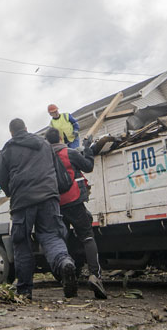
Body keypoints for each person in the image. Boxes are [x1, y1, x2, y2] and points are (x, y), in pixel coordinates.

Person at [0, 118, 78, 299]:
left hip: (22, 202)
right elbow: (57, 170)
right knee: (51, 236)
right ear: (26, 128)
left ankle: (25, 291)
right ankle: (64, 262)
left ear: (11, 132)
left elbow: (1, 177)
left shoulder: (7, 150)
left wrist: (13, 191)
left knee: (21, 242)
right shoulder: (44, 144)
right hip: (49, 198)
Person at [45, 128, 106, 299]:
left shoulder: (45, 158)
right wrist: (87, 148)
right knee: (87, 237)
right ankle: (95, 276)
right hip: (74, 201)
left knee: (63, 241)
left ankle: (67, 274)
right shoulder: (69, 153)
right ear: (60, 138)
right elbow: (88, 166)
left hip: (56, 205)